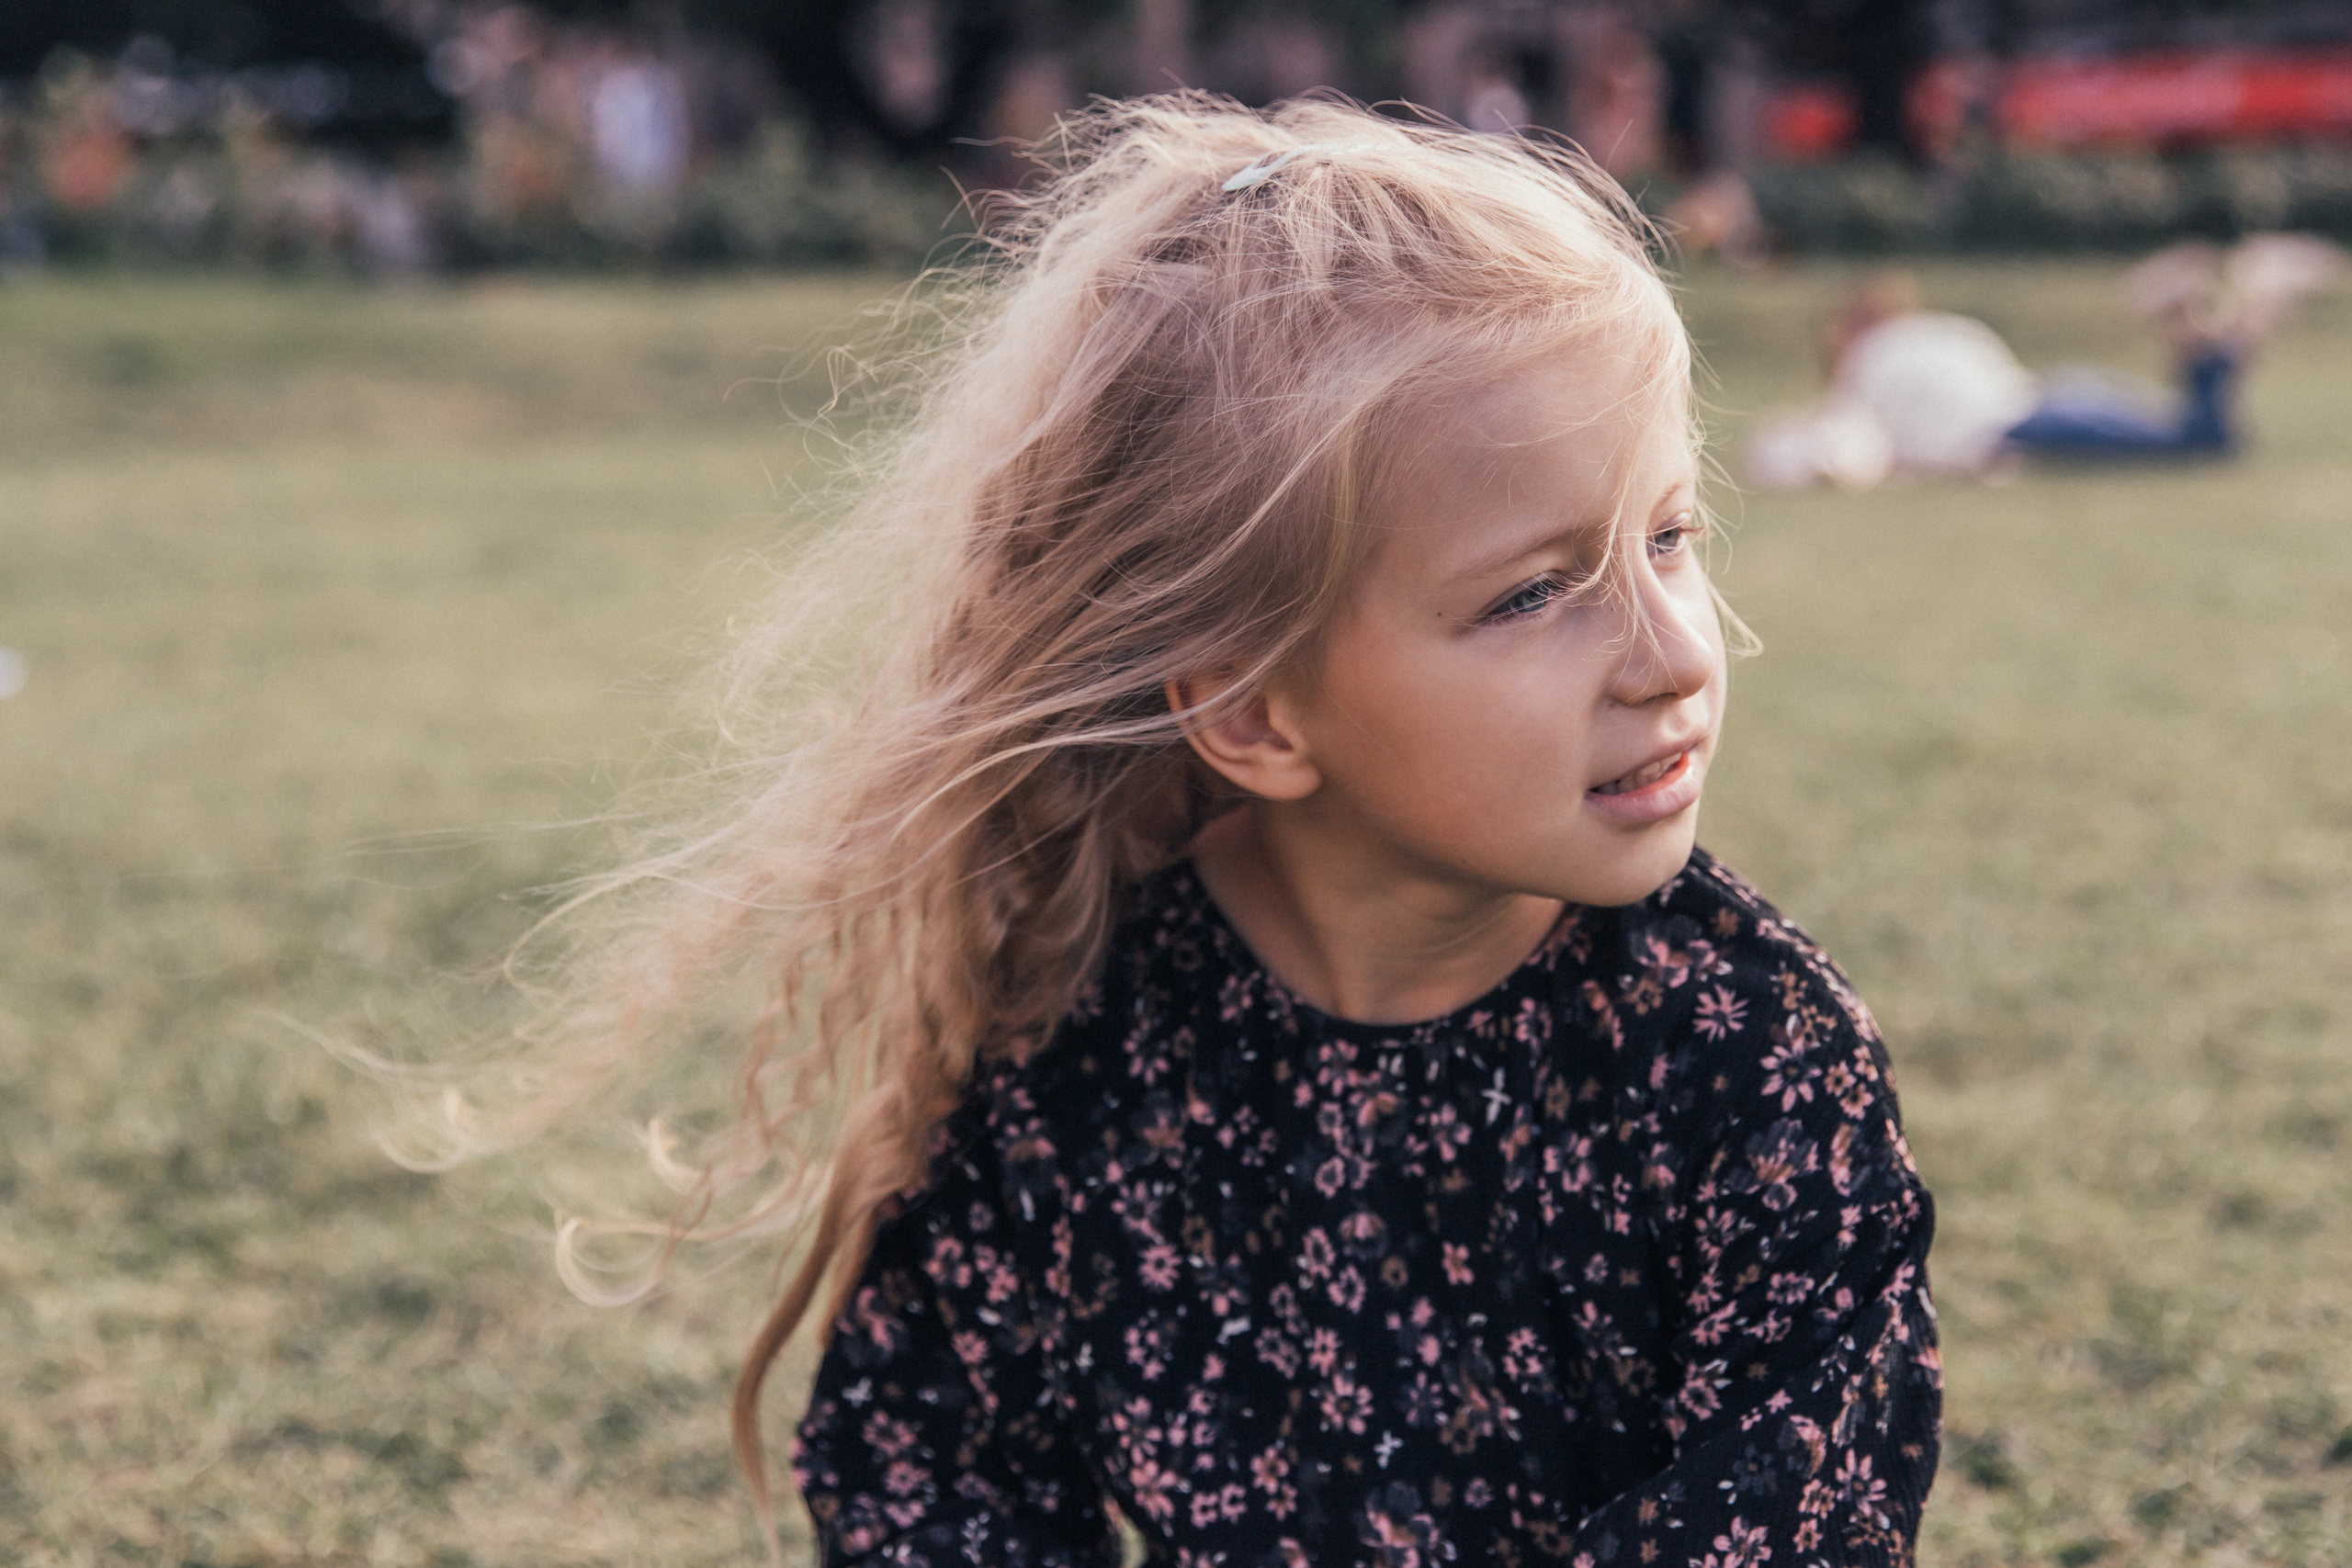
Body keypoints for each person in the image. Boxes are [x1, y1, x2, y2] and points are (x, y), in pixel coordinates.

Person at [492, 96, 1940, 1564]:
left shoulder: (1748, 1055)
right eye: (1531, 591)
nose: (1674, 652)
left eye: (1670, 536)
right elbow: (930, 1466)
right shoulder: (1091, 1039)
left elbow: (1791, 1517)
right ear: (1253, 713)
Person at [1747, 239, 2343, 490]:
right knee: (2199, 432)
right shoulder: (1934, 330)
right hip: (2050, 391)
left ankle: (2215, 304)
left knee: (2203, 442)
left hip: (2025, 423)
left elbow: (1843, 454)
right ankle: (2221, 313)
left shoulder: (1866, 372)